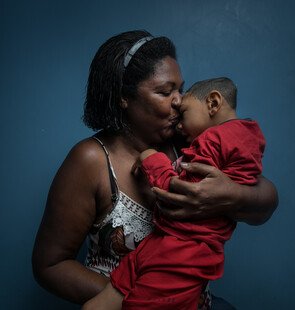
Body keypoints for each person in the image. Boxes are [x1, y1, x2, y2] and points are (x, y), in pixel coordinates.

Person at [32, 30, 278, 309]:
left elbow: (267, 201)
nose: (179, 100)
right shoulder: (91, 160)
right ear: (124, 97)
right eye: (165, 91)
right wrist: (142, 299)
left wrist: (232, 195)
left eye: (180, 89)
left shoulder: (188, 141)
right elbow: (50, 265)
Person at [83, 77, 265, 310]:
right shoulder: (246, 137)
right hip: (163, 245)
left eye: (184, 109)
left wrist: (151, 158)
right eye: (165, 91)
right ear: (125, 98)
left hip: (181, 251)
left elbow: (180, 194)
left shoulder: (212, 139)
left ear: (213, 103)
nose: (179, 118)